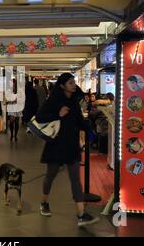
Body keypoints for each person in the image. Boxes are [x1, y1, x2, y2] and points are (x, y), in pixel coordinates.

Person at [36, 72, 99, 227]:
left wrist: (89, 130)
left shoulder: (73, 102)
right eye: (70, 83)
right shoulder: (53, 100)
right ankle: (44, 202)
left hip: (71, 145)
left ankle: (81, 215)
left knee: (75, 180)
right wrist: (58, 114)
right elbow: (39, 117)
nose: (73, 85)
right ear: (63, 85)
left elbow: (78, 120)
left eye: (73, 82)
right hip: (56, 145)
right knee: (50, 176)